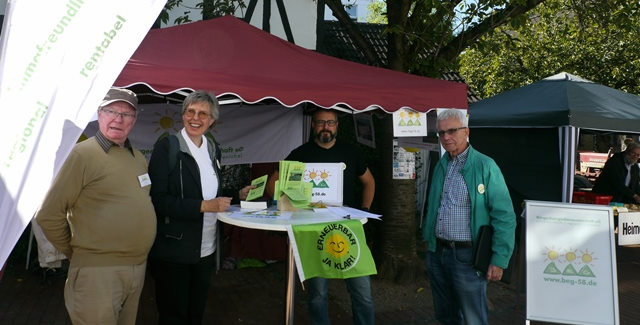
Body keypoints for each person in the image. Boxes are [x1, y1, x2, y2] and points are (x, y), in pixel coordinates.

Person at [36, 87, 156, 324]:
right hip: (98, 273)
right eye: (111, 111)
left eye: (126, 114)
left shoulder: (138, 157)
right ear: (99, 114)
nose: (118, 119)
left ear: (134, 120)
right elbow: (48, 215)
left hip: (137, 268)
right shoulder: (81, 155)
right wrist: (80, 253)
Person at [147, 90, 252, 324]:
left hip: (205, 250)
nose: (196, 118)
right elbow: (158, 200)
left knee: (196, 314)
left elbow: (210, 195)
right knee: (174, 316)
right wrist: (203, 206)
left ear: (212, 120)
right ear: (183, 115)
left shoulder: (213, 149)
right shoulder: (168, 147)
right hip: (174, 250)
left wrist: (236, 195)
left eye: (203, 113)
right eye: (191, 111)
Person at [267, 109, 375, 325]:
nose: (326, 127)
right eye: (320, 122)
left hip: (348, 228)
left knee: (362, 292)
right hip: (313, 230)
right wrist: (288, 199)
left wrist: (364, 210)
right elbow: (272, 185)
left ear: (337, 126)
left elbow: (369, 182)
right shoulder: (300, 154)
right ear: (313, 126)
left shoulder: (351, 152)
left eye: (330, 122)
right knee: (317, 294)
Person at [422, 109, 516, 325]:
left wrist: (499, 259)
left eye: (452, 131)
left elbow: (504, 216)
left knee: (473, 318)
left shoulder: (485, 166)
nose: (446, 137)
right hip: (438, 252)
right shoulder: (441, 164)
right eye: (441, 132)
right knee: (445, 316)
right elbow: (435, 207)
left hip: (468, 256)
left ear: (467, 132)